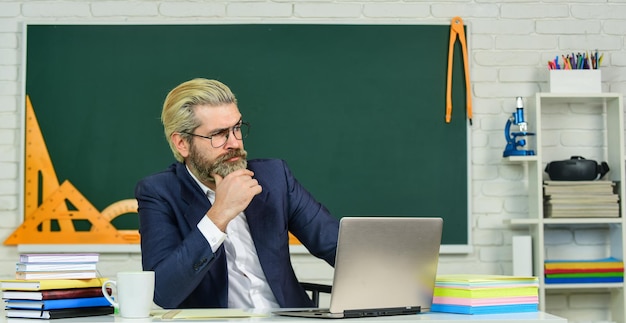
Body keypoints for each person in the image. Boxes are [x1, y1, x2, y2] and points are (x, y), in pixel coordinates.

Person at [135, 78, 340, 309]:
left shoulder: (274, 177)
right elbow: (163, 292)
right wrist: (219, 214)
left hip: (288, 318)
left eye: (237, 128)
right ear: (182, 143)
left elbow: (335, 245)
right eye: (219, 134)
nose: (234, 142)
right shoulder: (159, 192)